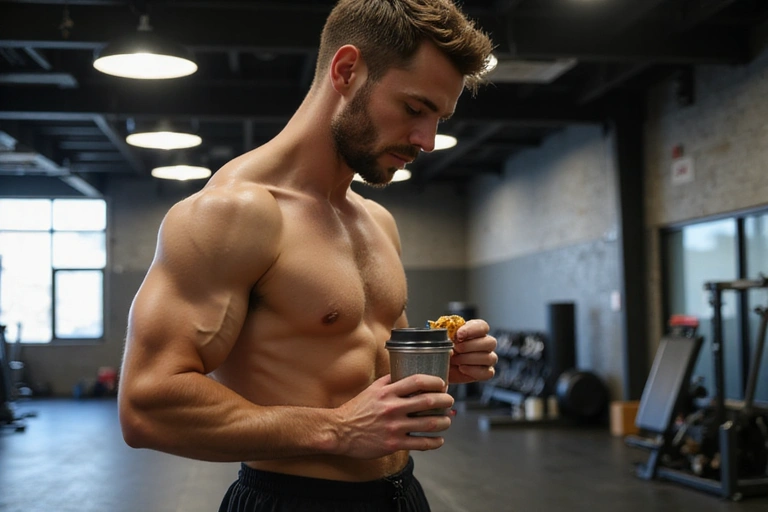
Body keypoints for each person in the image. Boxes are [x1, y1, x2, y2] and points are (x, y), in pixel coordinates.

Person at [118, 0, 498, 510]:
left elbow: (355, 367)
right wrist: (338, 430)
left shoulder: (377, 221)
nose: (427, 141)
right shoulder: (233, 213)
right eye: (413, 109)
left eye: (438, 118)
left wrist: (440, 364)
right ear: (346, 71)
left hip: (402, 494)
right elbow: (146, 407)